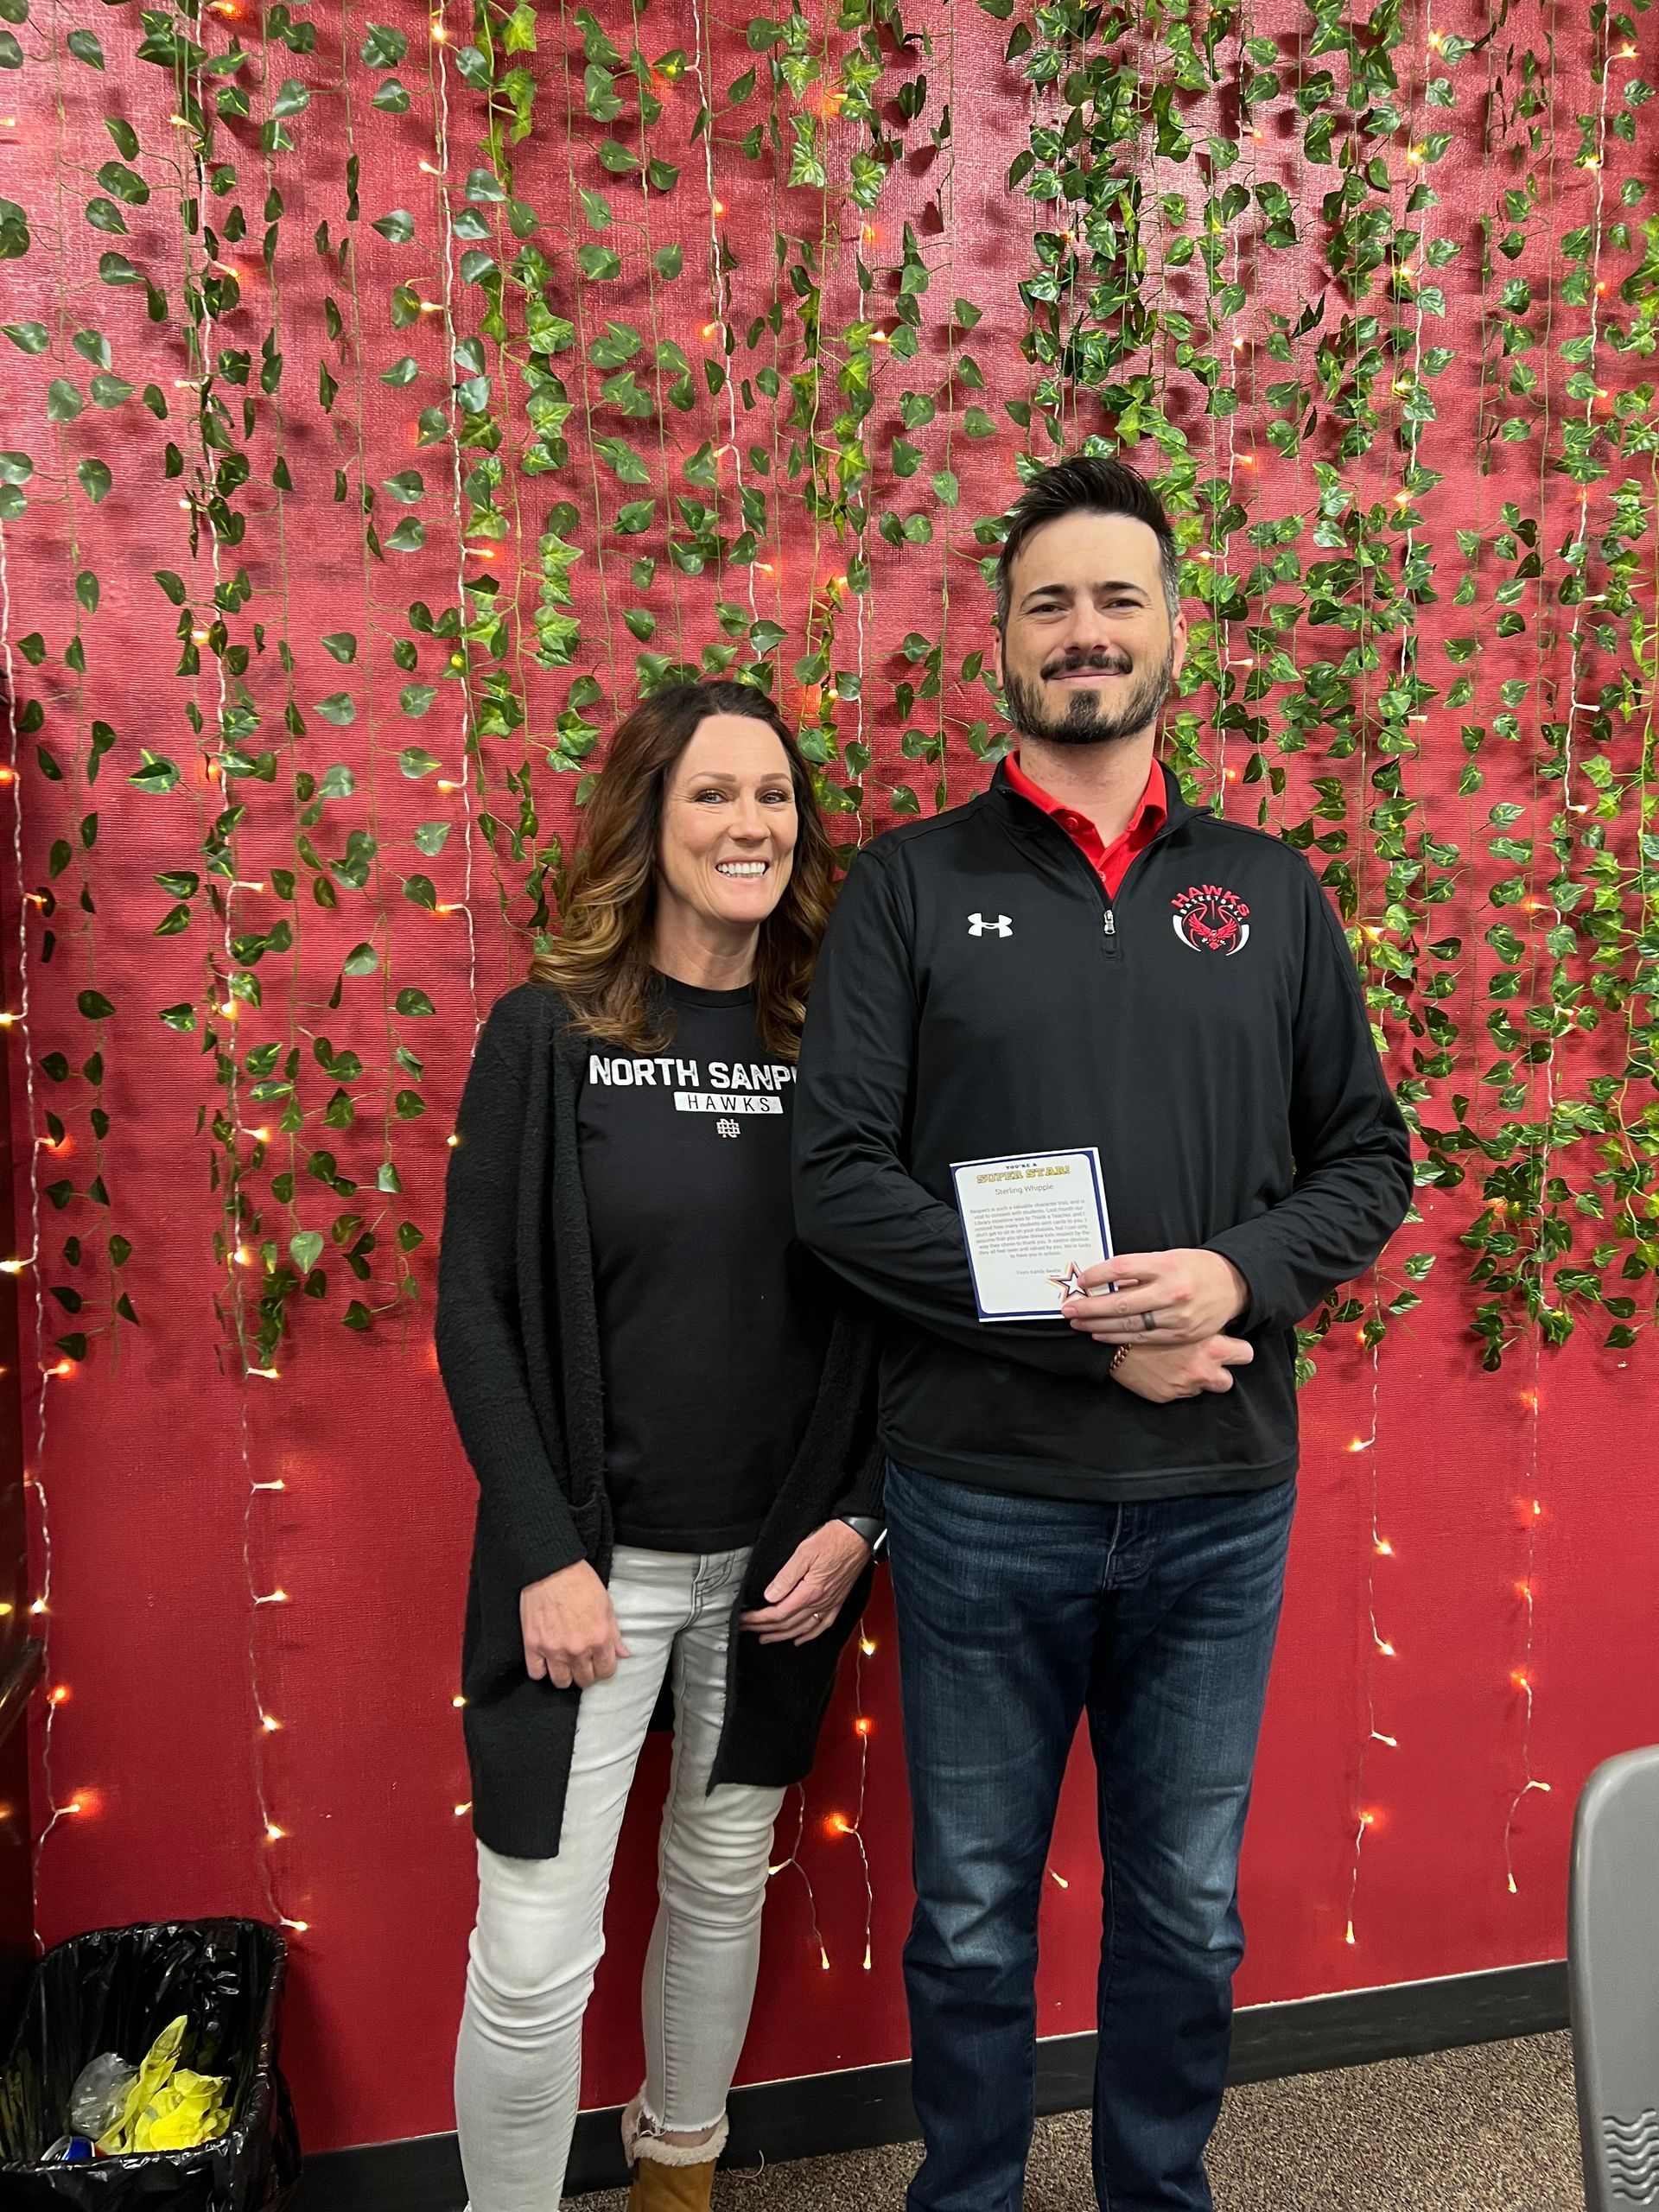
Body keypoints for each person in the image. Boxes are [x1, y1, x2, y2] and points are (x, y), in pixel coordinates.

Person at [793, 454, 1414, 2212]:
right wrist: (1097, 1338)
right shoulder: (910, 888)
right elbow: (838, 1185)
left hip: (1222, 1496)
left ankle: (1159, 2190)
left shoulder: (1270, 892)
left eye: (1116, 597)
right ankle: (966, 2193)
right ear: (1000, 637)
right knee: (975, 1902)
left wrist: (1235, 1276)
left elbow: (1367, 1157)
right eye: (1050, 601)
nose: (1085, 632)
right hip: (985, 1497)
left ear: (1172, 631)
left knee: (1185, 1904)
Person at [438, 678, 882, 2212]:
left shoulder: (842, 1040)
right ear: (651, 817)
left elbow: (904, 1299)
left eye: (774, 796)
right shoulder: (546, 1033)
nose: (750, 822)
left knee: (714, 1892)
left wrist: (861, 1519)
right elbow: (477, 1311)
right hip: (590, 1578)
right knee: (534, 1952)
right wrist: (548, 1553)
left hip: (780, 1573)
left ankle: (679, 2178)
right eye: (713, 794)